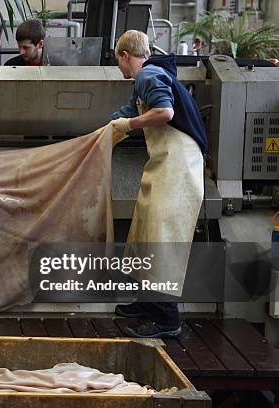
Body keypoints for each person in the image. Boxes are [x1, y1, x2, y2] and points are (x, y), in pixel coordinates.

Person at [110, 30, 207, 338]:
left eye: (119, 62)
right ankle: (147, 304)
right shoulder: (148, 78)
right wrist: (102, 133)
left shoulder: (148, 74)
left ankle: (167, 320)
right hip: (166, 164)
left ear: (126, 56)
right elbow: (128, 113)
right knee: (146, 229)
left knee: (161, 240)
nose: (120, 69)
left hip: (179, 167)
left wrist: (130, 125)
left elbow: (165, 112)